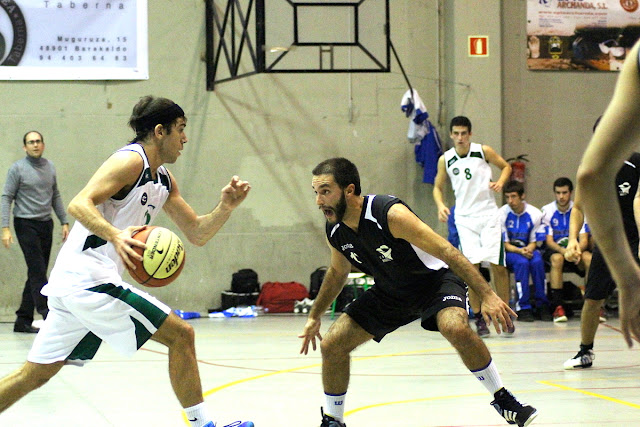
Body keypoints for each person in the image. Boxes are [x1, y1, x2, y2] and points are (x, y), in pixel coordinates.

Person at [0, 96, 254, 427]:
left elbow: (197, 233)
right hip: (88, 281)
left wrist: (226, 208)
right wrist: (115, 235)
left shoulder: (163, 180)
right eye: (181, 129)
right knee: (182, 335)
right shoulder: (129, 161)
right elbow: (80, 203)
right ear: (160, 131)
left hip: (73, 284)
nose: (185, 138)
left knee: (34, 374)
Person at [300, 158, 537, 427]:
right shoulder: (336, 228)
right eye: (316, 193)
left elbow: (447, 251)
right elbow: (337, 272)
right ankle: (333, 420)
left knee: (455, 327)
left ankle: (504, 399)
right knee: (332, 345)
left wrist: (489, 294)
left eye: (325, 191)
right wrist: (314, 315)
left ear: (349, 190)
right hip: (391, 292)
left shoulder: (388, 214)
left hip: (434, 282)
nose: (319, 201)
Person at [433, 116, 512, 337]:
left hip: (488, 215)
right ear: (451, 135)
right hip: (465, 218)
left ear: (470, 134)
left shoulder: (482, 151)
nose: (460, 138)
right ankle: (479, 316)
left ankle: (505, 313)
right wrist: (440, 205)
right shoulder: (445, 159)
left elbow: (506, 167)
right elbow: (438, 187)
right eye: (456, 133)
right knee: (472, 269)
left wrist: (500, 182)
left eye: (463, 133)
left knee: (498, 265)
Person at [1, 131, 70, 334]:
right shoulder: (17, 169)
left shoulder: (50, 167)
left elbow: (55, 194)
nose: (35, 145)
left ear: (43, 144)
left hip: (45, 224)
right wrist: (5, 228)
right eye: (31, 142)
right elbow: (6, 198)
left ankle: (22, 320)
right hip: (25, 224)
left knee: (35, 273)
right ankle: (48, 315)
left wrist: (63, 221)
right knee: (38, 271)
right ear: (25, 147)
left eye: (38, 141)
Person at [541, 177, 592, 323]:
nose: (561, 196)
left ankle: (592, 304)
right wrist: (565, 252)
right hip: (558, 251)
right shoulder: (547, 210)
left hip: (577, 251)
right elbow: (549, 241)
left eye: (564, 193)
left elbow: (583, 240)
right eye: (558, 193)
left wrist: (575, 251)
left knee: (589, 258)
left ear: (571, 193)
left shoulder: (579, 210)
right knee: (557, 259)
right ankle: (558, 307)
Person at [500, 181, 551, 322]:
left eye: (514, 196)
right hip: (511, 251)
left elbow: (535, 240)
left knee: (537, 261)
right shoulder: (502, 214)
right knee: (522, 263)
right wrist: (520, 251)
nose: (510, 201)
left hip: (529, 248)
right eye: (507, 197)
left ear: (522, 196)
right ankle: (523, 307)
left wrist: (529, 249)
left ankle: (542, 305)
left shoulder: (534, 213)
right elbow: (504, 244)